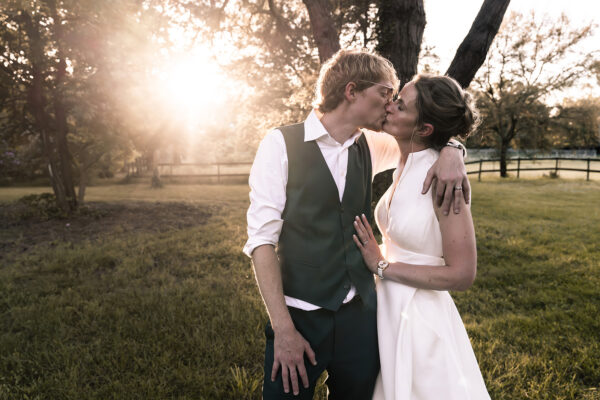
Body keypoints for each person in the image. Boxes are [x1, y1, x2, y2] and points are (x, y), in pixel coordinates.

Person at [243, 50, 469, 399]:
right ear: (352, 92)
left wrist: (455, 149)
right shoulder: (281, 145)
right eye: (385, 94)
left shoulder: (372, 144)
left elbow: (428, 138)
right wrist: (283, 330)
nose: (391, 104)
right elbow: (261, 242)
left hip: (360, 317)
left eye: (396, 98)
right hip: (299, 317)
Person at [352, 74, 490, 399]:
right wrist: (454, 147)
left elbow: (462, 273)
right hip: (389, 310)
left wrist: (381, 265)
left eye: (400, 106)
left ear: (424, 129)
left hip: (420, 320)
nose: (389, 106)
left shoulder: (443, 180)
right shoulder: (405, 162)